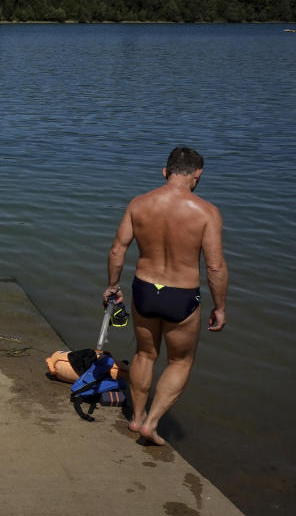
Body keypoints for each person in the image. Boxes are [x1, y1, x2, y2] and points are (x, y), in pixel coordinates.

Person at [102, 147, 228, 446]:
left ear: (165, 171)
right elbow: (214, 265)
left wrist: (113, 286)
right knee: (180, 362)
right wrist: (220, 306)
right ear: (197, 175)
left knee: (145, 354)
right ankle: (152, 423)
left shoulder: (139, 204)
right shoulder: (207, 212)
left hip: (145, 289)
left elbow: (118, 250)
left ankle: (135, 417)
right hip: (181, 296)